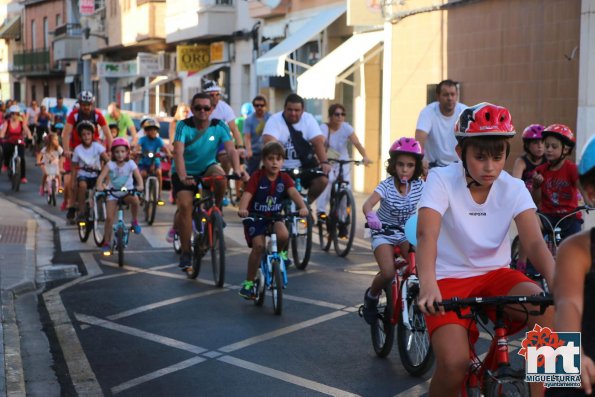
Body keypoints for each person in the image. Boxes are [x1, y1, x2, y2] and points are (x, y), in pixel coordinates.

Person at [415, 103, 554, 397]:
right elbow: (427, 234)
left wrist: (558, 281)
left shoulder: (514, 187)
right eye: (479, 157)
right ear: (460, 153)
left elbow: (534, 243)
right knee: (454, 363)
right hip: (446, 280)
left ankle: (549, 393)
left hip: (497, 275)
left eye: (498, 156)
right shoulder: (440, 179)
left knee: (550, 312)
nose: (490, 167)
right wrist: (427, 284)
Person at [170, 92, 248, 270]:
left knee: (220, 176)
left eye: (206, 108)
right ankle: (186, 252)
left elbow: (231, 149)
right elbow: (178, 153)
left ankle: (217, 208)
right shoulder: (183, 126)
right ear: (192, 109)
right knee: (185, 206)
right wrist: (183, 175)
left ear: (212, 109)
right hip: (185, 171)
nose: (202, 111)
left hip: (207, 167)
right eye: (198, 108)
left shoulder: (219, 125)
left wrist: (237, 169)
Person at [546, 136, 595, 397]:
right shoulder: (576, 248)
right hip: (583, 358)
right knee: (550, 353)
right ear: (590, 193)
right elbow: (568, 304)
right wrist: (573, 350)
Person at [360, 137, 424, 323]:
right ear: (393, 165)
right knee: (388, 273)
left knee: (419, 268)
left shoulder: (420, 186)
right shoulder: (386, 186)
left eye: (410, 165)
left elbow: (434, 204)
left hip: (407, 232)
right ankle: (371, 297)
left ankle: (414, 298)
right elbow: (367, 205)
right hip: (384, 232)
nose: (405, 169)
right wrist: (371, 217)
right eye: (401, 164)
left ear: (416, 167)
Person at [237, 141, 308, 299]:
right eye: (270, 158)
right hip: (256, 217)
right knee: (259, 246)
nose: (274, 162)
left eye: (278, 159)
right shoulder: (257, 177)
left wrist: (302, 207)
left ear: (283, 161)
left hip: (275, 216)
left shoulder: (284, 178)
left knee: (283, 234)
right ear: (264, 160)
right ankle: (249, 283)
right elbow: (247, 195)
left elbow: (294, 193)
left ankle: (282, 254)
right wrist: (242, 209)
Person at [262, 93, 331, 202]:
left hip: (305, 167)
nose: (293, 113)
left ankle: (307, 206)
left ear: (302, 110)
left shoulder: (308, 119)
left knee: (322, 180)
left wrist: (324, 162)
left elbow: (318, 141)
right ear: (284, 109)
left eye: (297, 110)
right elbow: (269, 141)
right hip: (281, 168)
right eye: (290, 109)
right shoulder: (275, 120)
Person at [315, 103, 371, 227]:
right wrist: (321, 160)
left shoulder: (346, 128)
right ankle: (321, 212)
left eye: (343, 114)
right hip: (328, 161)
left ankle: (343, 218)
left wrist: (365, 156)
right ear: (330, 116)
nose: (340, 117)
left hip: (343, 161)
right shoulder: (324, 128)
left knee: (345, 188)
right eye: (337, 114)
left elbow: (357, 143)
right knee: (327, 183)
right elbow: (320, 144)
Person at [62, 91, 112, 222]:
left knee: (103, 163)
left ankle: (105, 188)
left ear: (92, 104)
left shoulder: (97, 115)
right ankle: (72, 206)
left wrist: (110, 150)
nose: (86, 107)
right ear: (80, 104)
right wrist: (67, 150)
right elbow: (66, 134)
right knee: (73, 180)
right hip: (76, 148)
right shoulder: (74, 115)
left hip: (93, 146)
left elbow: (108, 134)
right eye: (84, 104)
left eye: (89, 104)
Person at [532, 123, 582, 240]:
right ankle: (524, 259)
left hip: (569, 216)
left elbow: (583, 188)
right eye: (547, 146)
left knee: (575, 245)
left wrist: (590, 201)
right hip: (547, 216)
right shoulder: (540, 170)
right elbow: (535, 201)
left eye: (554, 147)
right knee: (530, 223)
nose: (549, 149)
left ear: (565, 149)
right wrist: (536, 186)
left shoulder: (571, 169)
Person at [95, 138, 144, 255]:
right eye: (117, 152)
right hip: (112, 193)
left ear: (127, 153)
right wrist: (100, 186)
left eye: (122, 151)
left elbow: (138, 177)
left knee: (135, 200)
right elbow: (101, 178)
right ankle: (107, 243)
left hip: (127, 192)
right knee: (109, 218)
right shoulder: (110, 165)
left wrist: (140, 185)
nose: (120, 154)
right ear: (112, 153)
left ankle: (134, 221)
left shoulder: (131, 164)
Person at [511, 124, 546, 273]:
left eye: (542, 142)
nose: (540, 146)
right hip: (527, 204)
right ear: (527, 145)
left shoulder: (548, 162)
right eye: (535, 143)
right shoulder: (522, 162)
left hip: (545, 203)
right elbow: (515, 183)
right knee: (531, 226)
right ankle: (522, 263)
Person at [415, 79, 467, 168]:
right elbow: (420, 138)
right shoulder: (428, 112)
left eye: (452, 94)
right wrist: (421, 159)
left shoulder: (464, 112)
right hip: (434, 166)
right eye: (446, 95)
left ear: (457, 96)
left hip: (458, 166)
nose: (450, 98)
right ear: (438, 97)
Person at [202, 80, 245, 173]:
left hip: (218, 141)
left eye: (218, 94)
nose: (215, 97)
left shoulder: (224, 108)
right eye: (211, 95)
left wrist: (241, 146)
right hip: (202, 141)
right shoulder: (198, 107)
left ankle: (225, 179)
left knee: (227, 157)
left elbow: (234, 128)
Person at [71, 121, 110, 221]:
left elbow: (107, 161)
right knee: (82, 186)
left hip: (96, 175)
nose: (86, 137)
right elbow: (74, 167)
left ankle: (102, 209)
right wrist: (73, 181)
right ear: (80, 137)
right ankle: (82, 211)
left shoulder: (97, 147)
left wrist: (107, 175)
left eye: (88, 134)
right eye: (83, 134)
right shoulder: (77, 149)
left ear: (93, 135)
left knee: (102, 188)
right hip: (83, 175)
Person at [136, 118, 172, 205]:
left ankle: (158, 195)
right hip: (144, 162)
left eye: (154, 130)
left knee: (159, 173)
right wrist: (137, 151)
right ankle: (141, 193)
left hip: (155, 162)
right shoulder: (143, 139)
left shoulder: (158, 140)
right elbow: (138, 146)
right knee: (143, 174)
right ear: (146, 131)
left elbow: (164, 148)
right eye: (150, 130)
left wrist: (169, 154)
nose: (152, 132)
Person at [0, 105, 33, 183]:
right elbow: (3, 131)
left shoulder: (21, 123)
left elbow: (27, 129)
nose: (15, 115)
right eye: (13, 113)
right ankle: (6, 164)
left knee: (22, 158)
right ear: (10, 114)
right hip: (9, 140)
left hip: (19, 141)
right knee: (6, 149)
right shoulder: (7, 122)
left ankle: (23, 177)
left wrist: (29, 136)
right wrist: (2, 136)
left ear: (19, 114)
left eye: (16, 114)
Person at [243, 95, 271, 175]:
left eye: (262, 105)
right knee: (252, 173)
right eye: (257, 105)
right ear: (254, 106)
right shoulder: (249, 120)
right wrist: (248, 150)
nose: (259, 107)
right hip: (254, 151)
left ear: (265, 106)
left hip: (268, 149)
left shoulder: (270, 118)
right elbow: (247, 136)